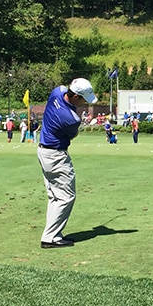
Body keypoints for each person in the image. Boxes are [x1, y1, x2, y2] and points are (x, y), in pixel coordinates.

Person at [37, 78, 97, 249]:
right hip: (56, 156)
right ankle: (51, 237)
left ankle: (51, 234)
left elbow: (62, 88)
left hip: (43, 152)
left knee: (55, 196)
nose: (85, 102)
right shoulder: (71, 118)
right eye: (84, 99)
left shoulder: (57, 92)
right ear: (76, 97)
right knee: (66, 197)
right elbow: (72, 135)